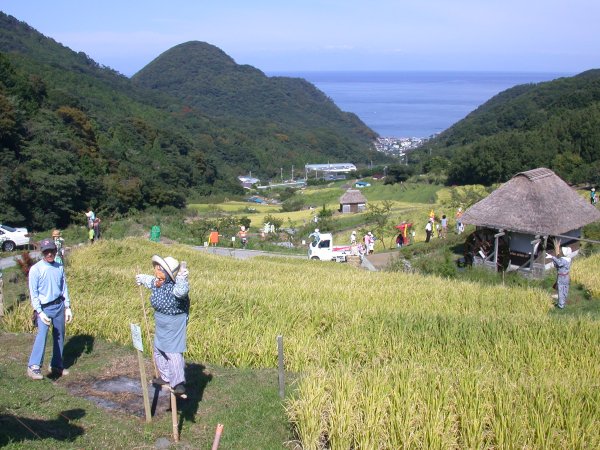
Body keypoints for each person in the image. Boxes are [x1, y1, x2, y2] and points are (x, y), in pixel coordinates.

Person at [136, 255, 190, 395]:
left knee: (172, 351)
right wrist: (141, 278)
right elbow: (150, 281)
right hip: (161, 320)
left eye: (160, 269)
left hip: (174, 321)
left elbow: (182, 291)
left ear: (167, 273)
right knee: (158, 349)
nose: (157, 271)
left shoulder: (175, 287)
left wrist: (182, 278)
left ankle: (178, 383)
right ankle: (166, 376)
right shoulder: (159, 283)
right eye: (157, 269)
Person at [27, 238, 73, 380]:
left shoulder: (59, 266)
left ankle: (56, 365)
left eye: (51, 251)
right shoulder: (36, 269)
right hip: (44, 308)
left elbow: (63, 287)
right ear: (42, 253)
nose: (49, 254)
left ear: (55, 251)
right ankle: (33, 367)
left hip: (59, 305)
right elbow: (33, 293)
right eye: (46, 252)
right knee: (42, 334)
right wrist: (39, 312)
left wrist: (68, 307)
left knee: (59, 335)